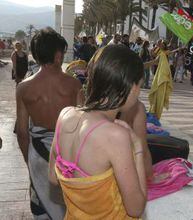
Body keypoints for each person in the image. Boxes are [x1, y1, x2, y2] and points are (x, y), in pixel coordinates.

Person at [48, 45, 147, 219]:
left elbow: (53, 178)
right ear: (130, 87)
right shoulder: (115, 135)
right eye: (139, 85)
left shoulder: (65, 115)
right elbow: (136, 208)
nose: (139, 92)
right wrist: (138, 148)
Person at [16, 28, 83, 219]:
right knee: (67, 203)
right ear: (58, 54)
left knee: (41, 205)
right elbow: (83, 126)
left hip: (37, 153)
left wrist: (29, 161)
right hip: (67, 155)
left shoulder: (23, 88)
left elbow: (22, 132)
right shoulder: (73, 85)